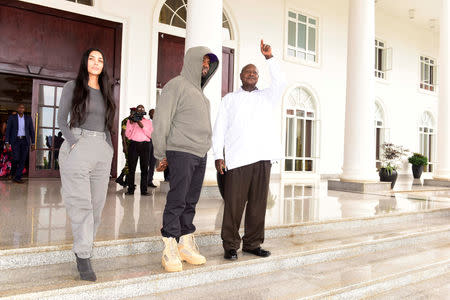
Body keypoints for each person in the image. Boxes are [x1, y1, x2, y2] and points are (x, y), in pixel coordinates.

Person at [212, 40, 286, 260]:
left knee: (257, 206)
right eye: (247, 72)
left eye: (255, 72)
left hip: (263, 159)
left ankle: (253, 243)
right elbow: (219, 129)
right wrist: (218, 155)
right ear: (241, 77)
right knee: (233, 206)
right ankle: (230, 245)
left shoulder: (267, 97)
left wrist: (269, 57)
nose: (252, 74)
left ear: (258, 77)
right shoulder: (230, 99)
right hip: (237, 159)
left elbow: (281, 81)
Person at [152, 46, 219, 272]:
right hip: (180, 151)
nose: (206, 66)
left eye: (209, 64)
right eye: (203, 61)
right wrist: (160, 154)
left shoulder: (203, 97)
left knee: (191, 200)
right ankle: (169, 245)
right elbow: (161, 121)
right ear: (192, 60)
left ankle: (185, 242)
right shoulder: (175, 86)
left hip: (200, 154)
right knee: (177, 198)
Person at [57, 48, 115, 282]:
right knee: (81, 204)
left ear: (103, 66)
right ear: (85, 62)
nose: (96, 62)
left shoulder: (107, 90)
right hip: (78, 144)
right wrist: (72, 142)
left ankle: (85, 247)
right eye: (92, 58)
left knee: (97, 206)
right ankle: (83, 255)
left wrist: (109, 148)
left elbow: (107, 123)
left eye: (100, 60)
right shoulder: (73, 86)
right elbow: (61, 119)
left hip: (101, 147)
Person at [125, 104, 153, 196]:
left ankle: (144, 190)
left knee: (144, 168)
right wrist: (133, 123)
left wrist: (141, 125)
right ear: (136, 111)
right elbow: (127, 135)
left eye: (142, 109)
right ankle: (130, 189)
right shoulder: (130, 121)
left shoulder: (148, 122)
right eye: (139, 109)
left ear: (144, 111)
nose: (140, 111)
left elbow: (150, 135)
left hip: (145, 146)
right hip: (133, 145)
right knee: (131, 168)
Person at [5, 104, 35, 183]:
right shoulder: (12, 118)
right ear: (17, 109)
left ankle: (17, 177)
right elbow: (8, 130)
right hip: (15, 141)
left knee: (22, 160)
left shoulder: (28, 118)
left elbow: (32, 131)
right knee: (15, 158)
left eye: (23, 107)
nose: (21, 109)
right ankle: (12, 173)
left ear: (24, 109)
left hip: (25, 141)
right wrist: (7, 142)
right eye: (19, 107)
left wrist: (33, 143)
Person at [115, 108, 135, 187]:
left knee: (130, 162)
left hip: (133, 144)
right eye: (134, 113)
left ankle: (127, 181)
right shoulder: (126, 121)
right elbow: (122, 134)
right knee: (129, 163)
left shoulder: (135, 121)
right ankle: (120, 178)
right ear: (131, 112)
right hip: (128, 145)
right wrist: (124, 145)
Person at [147, 108, 157, 188]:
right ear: (149, 114)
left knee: (152, 163)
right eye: (152, 113)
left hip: (155, 143)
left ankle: (150, 181)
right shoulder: (146, 122)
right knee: (146, 162)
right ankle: (144, 181)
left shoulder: (158, 123)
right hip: (147, 143)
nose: (154, 114)